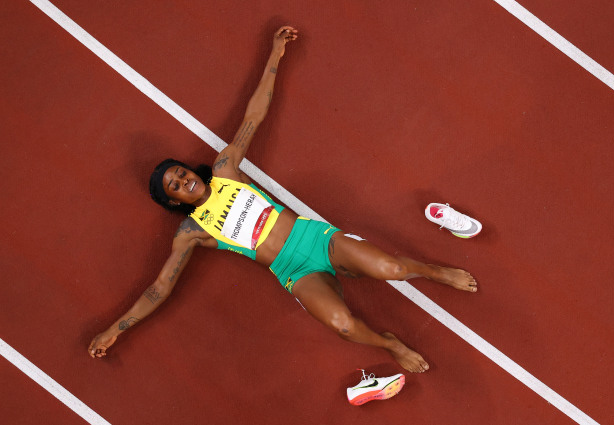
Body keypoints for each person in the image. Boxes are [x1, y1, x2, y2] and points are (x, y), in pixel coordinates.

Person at [88, 26, 478, 373]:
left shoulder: (224, 170)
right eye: (175, 185)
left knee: (392, 270)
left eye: (180, 172)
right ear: (173, 202)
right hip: (293, 271)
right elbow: (159, 287)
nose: (183, 180)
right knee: (343, 327)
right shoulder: (192, 231)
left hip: (315, 239)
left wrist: (274, 54)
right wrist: (114, 330)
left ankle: (434, 271)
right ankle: (390, 343)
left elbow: (253, 117)